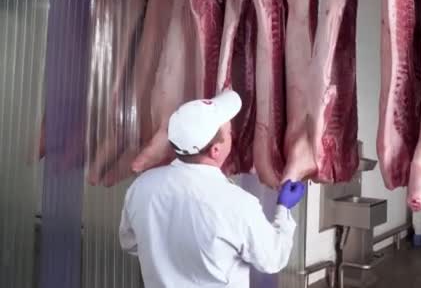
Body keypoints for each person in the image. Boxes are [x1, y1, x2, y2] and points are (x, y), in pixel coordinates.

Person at [118, 90, 306, 288]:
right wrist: (284, 209)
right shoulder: (238, 204)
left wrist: (165, 251)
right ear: (215, 150)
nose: (232, 136)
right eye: (229, 134)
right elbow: (273, 259)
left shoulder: (142, 187)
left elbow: (129, 243)